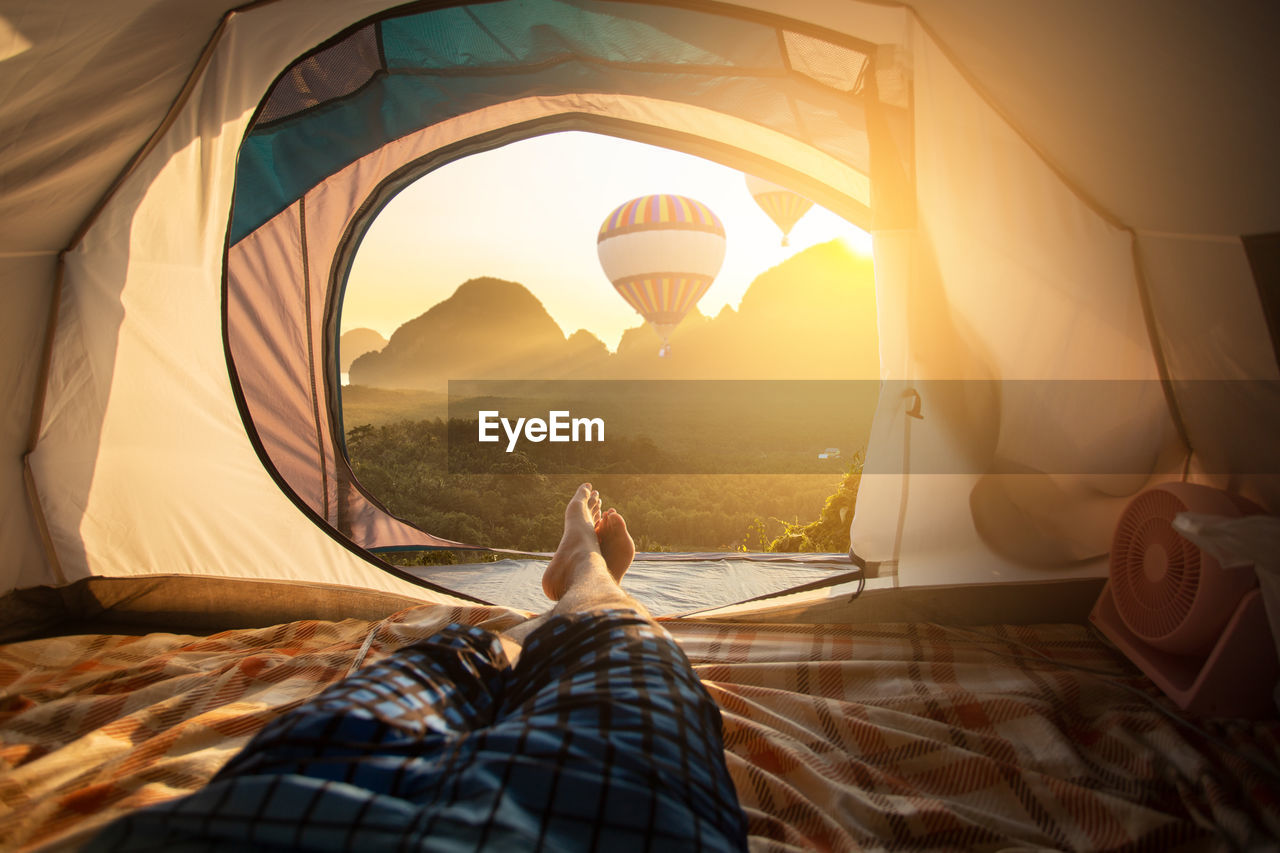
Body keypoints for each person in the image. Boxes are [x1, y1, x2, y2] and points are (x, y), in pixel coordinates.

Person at [88, 484, 749, 852]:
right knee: (618, 643)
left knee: (461, 653)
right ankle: (585, 574)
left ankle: (570, 587)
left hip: (283, 809)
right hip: (615, 823)